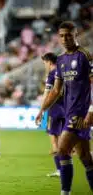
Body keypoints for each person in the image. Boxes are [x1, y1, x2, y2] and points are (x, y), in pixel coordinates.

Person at [36, 21, 93, 195]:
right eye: (61, 35)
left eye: (68, 34)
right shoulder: (60, 60)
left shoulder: (85, 56)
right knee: (85, 158)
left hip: (81, 114)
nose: (65, 38)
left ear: (75, 34)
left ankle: (65, 192)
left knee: (62, 149)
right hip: (69, 112)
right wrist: (42, 109)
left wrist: (91, 111)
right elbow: (55, 90)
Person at [37, 52, 65, 177]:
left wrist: (41, 110)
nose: (45, 66)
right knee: (63, 140)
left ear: (49, 62)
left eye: (44, 63)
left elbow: (47, 93)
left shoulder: (52, 74)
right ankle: (65, 168)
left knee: (54, 141)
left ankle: (59, 170)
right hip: (66, 108)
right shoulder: (63, 72)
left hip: (54, 109)